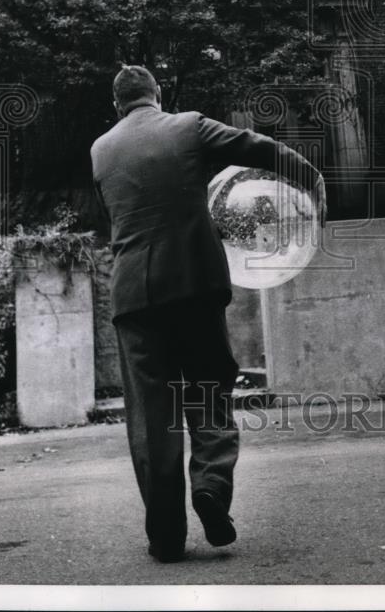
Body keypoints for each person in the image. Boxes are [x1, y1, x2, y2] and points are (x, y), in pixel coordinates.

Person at [91, 66, 326, 563]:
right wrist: (312, 179)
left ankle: (166, 538)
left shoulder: (101, 151)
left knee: (151, 421)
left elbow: (115, 219)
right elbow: (260, 148)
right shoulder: (189, 126)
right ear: (157, 95)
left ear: (116, 105)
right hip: (194, 286)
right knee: (208, 393)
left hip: (134, 297)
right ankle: (212, 488)